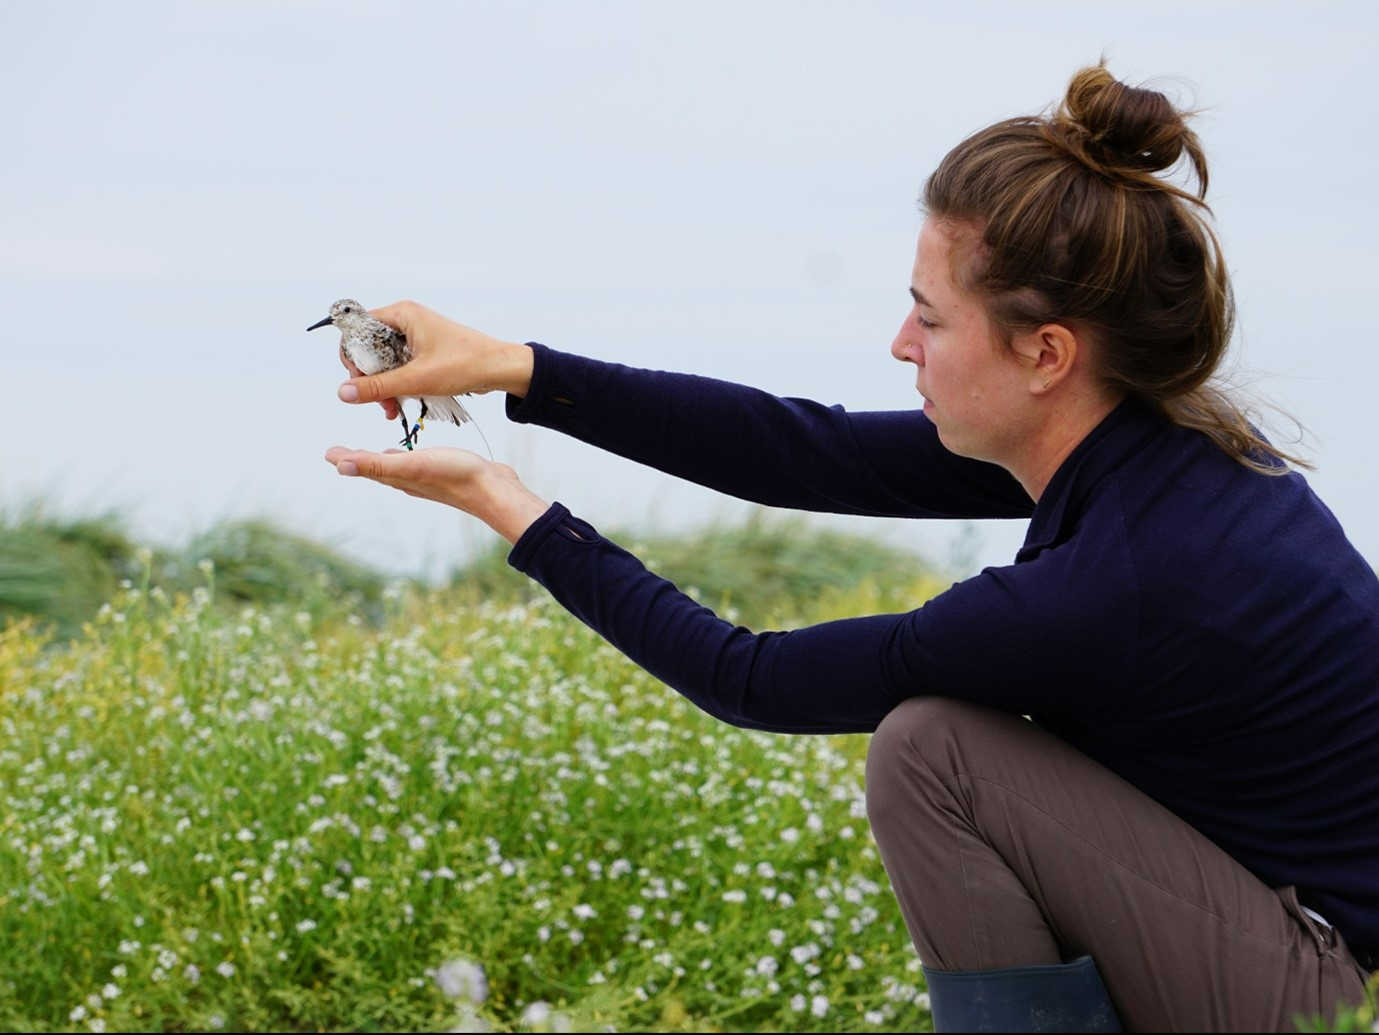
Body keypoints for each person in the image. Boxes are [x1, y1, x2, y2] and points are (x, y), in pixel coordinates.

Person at [322, 63, 1379, 1032]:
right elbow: (803, 452)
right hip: (1282, 930)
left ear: (1044, 354)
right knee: (940, 743)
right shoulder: (1143, 440)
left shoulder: (1110, 584)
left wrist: (518, 514)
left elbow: (750, 678)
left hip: (1335, 992)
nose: (899, 344)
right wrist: (515, 368)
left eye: (928, 318)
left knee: (931, 754)